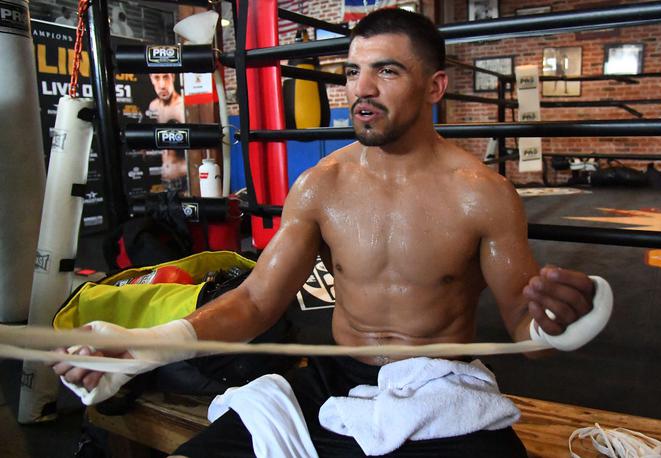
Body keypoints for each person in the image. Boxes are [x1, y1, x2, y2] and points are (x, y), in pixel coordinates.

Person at [54, 9, 605, 457]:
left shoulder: (482, 194)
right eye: (351, 72)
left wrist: (559, 322)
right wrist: (149, 345)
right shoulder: (322, 185)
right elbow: (255, 300)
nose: (360, 90)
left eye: (386, 71)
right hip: (334, 381)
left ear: (435, 85)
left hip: (439, 387)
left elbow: (525, 328)